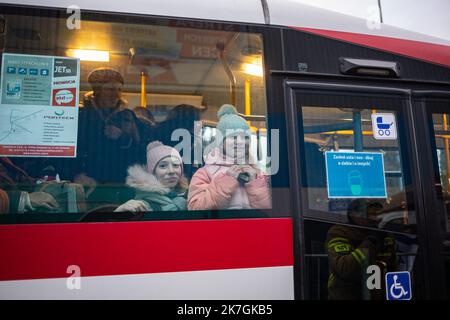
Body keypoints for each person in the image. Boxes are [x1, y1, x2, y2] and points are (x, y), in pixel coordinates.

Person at [187, 104, 271, 211]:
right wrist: (227, 180)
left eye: (245, 137)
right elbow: (195, 209)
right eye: (233, 137)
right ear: (221, 142)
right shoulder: (204, 173)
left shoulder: (258, 174)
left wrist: (254, 182)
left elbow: (272, 211)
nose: (240, 142)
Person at [325, 199, 398, 300]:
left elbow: (393, 266)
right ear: (354, 214)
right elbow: (344, 268)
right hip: (348, 295)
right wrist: (372, 240)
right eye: (371, 214)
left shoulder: (384, 233)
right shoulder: (340, 232)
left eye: (379, 214)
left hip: (379, 294)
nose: (376, 219)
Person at [114, 141, 188, 212]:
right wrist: (119, 212)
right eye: (163, 166)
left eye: (175, 165)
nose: (171, 171)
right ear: (152, 172)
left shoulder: (189, 198)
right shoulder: (142, 206)